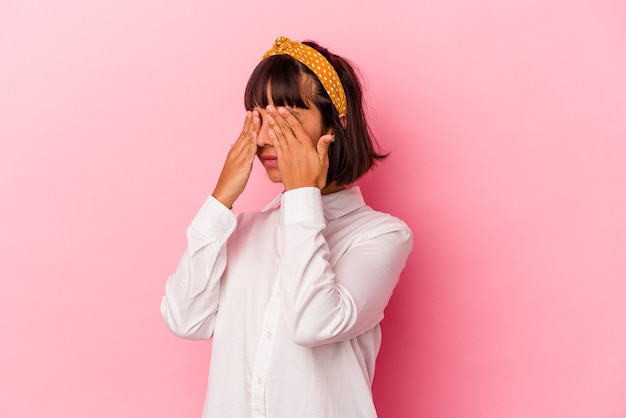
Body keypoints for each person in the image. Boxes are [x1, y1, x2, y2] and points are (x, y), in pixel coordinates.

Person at [161, 36, 413, 418]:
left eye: (288, 117)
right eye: (258, 117)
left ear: (335, 126)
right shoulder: (241, 230)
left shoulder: (382, 236)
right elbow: (185, 319)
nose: (264, 137)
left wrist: (301, 193)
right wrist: (220, 201)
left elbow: (314, 323)